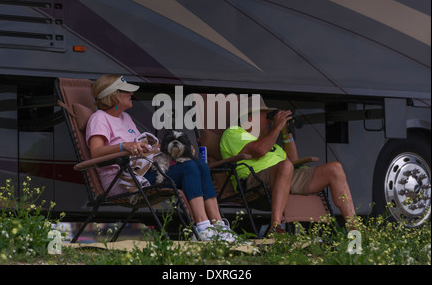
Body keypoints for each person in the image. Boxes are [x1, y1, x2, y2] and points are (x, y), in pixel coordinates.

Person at [85, 74, 235, 241]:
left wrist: (165, 149)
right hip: (124, 180)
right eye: (126, 91)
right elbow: (95, 153)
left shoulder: (125, 118)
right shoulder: (98, 118)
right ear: (113, 95)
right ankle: (203, 228)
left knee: (200, 165)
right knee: (189, 168)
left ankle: (219, 226)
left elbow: (141, 147)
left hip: (144, 171)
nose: (131, 94)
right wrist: (124, 146)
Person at [220, 95, 356, 234]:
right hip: (254, 182)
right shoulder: (235, 133)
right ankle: (276, 226)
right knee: (285, 166)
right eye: (266, 116)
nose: (269, 120)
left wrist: (286, 133)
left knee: (334, 168)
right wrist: (277, 127)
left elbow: (293, 160)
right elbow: (259, 150)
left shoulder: (268, 141)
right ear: (250, 119)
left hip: (283, 177)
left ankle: (354, 227)